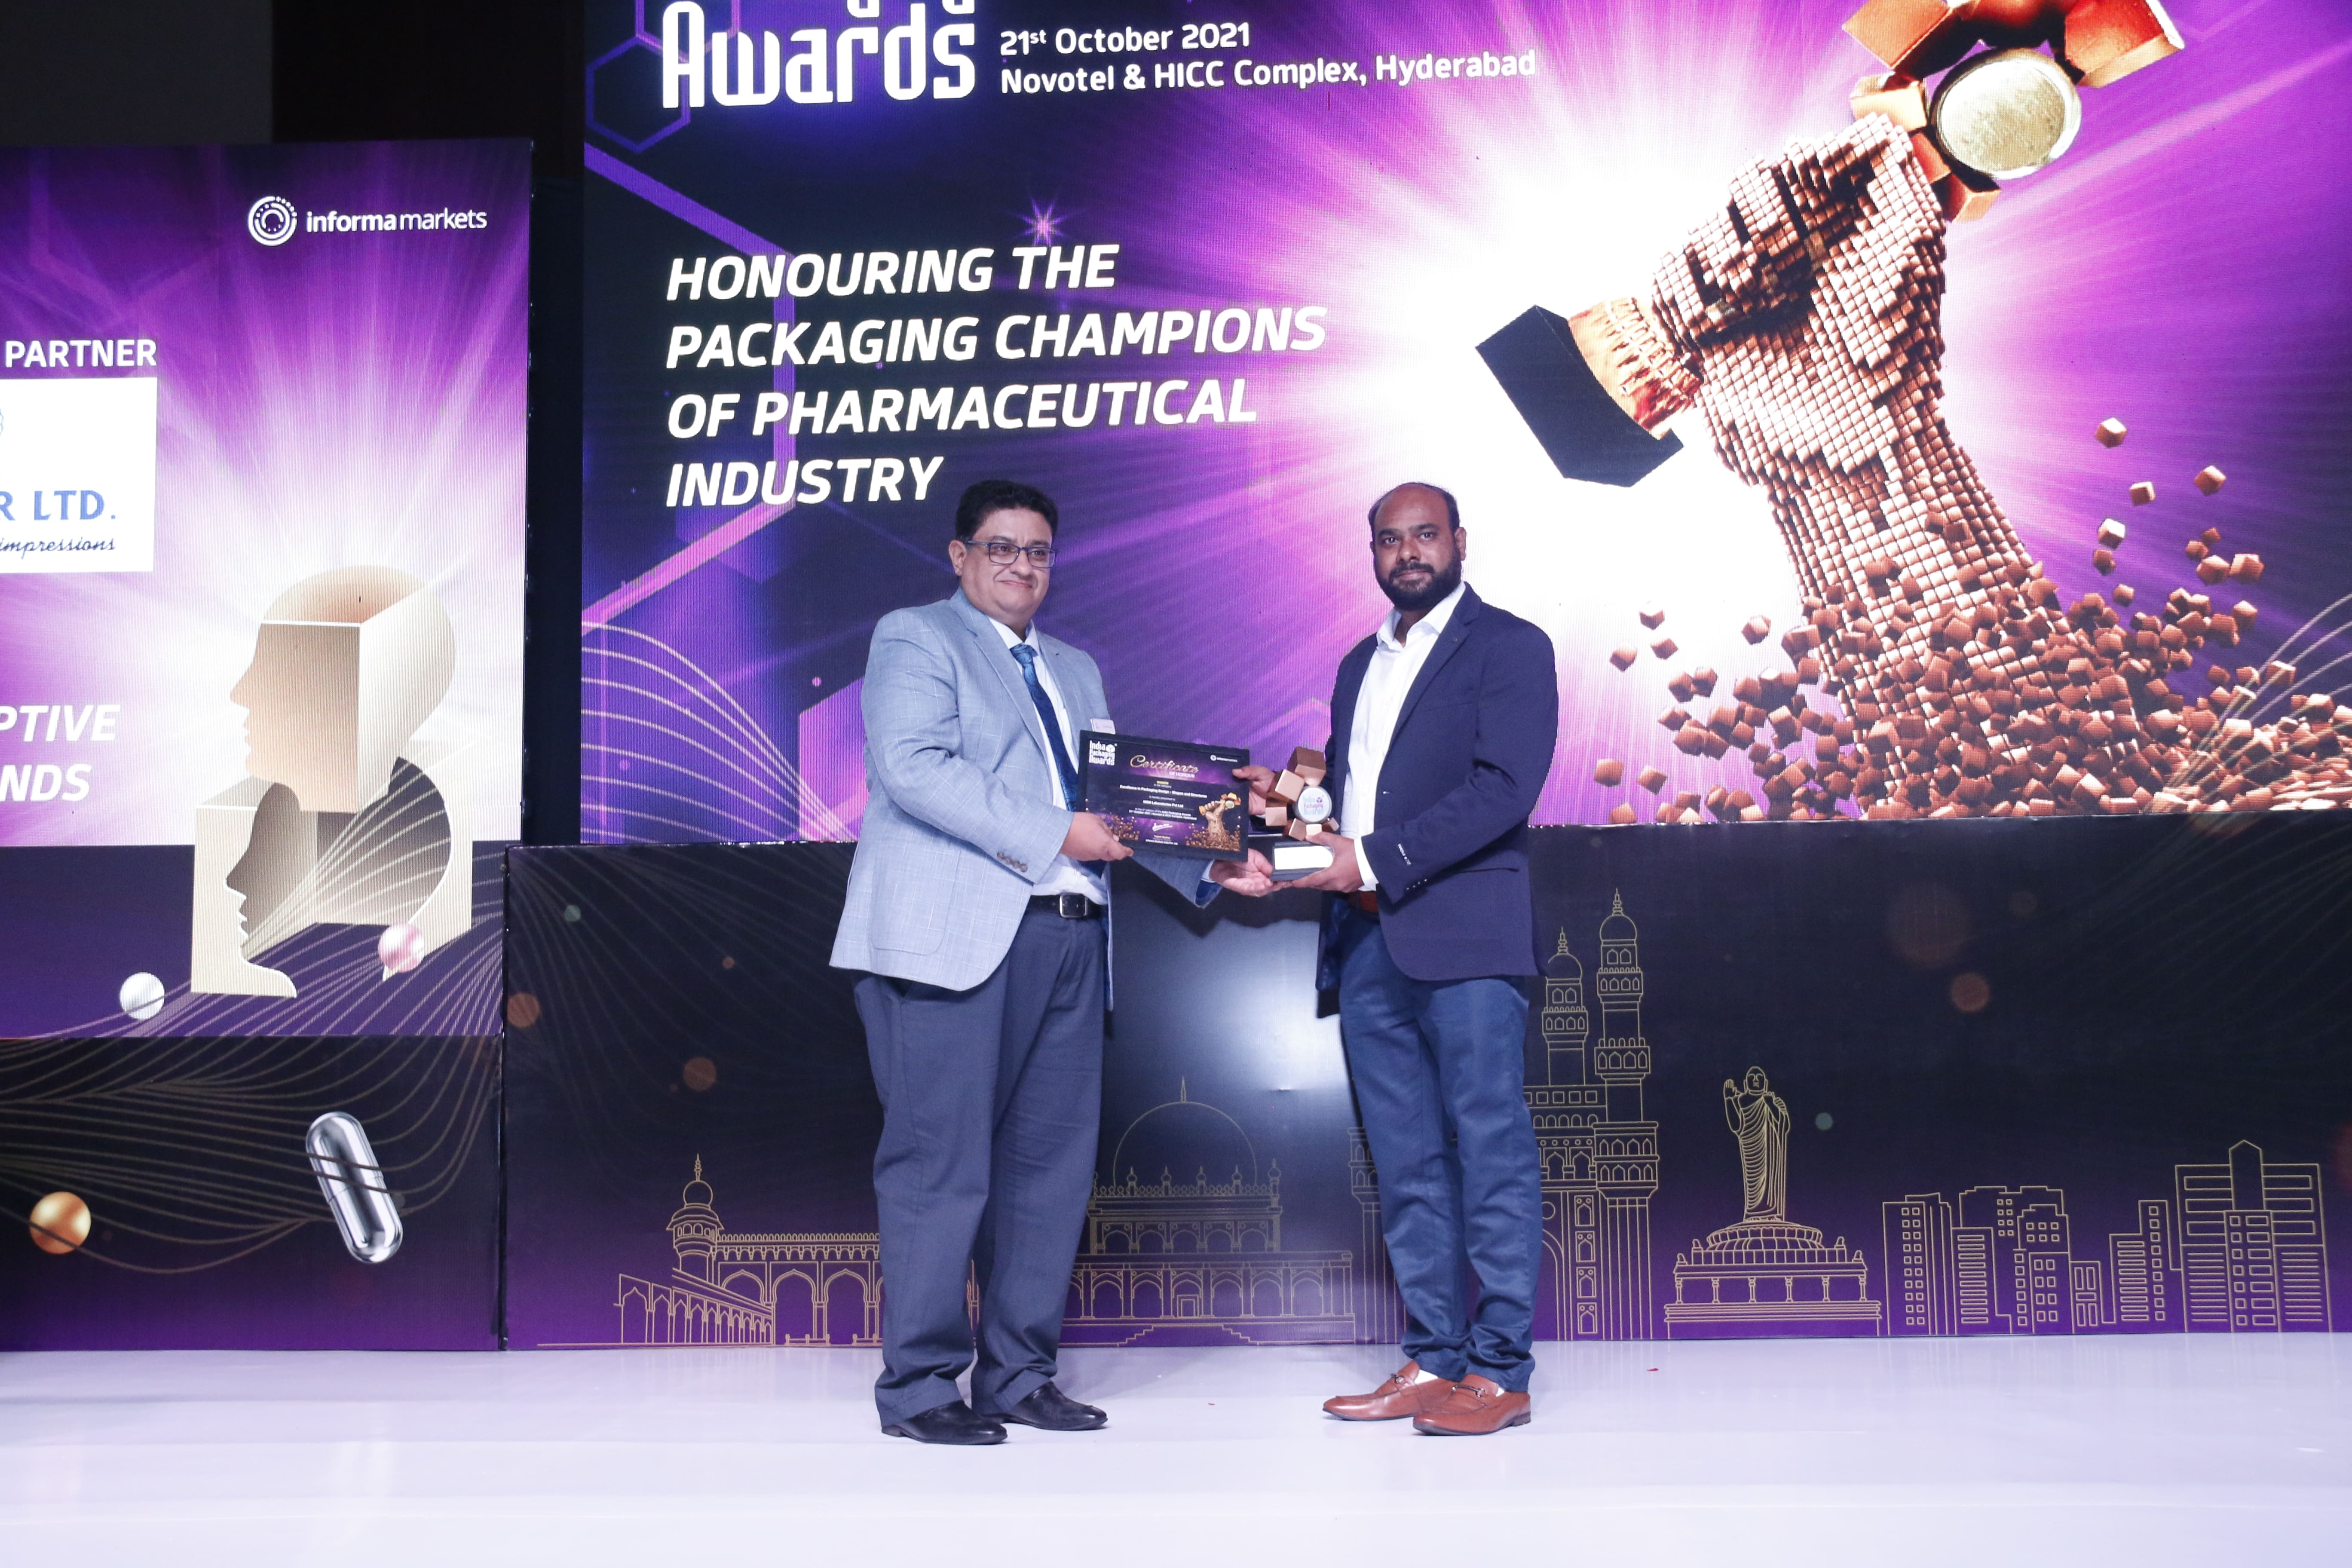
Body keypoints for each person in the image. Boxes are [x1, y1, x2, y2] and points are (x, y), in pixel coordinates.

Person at [831, 478, 1272, 1446]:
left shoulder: (1075, 668)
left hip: (1073, 936)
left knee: (1048, 1176)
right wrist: (1058, 831)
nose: (1020, 566)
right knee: (940, 1169)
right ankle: (920, 1390)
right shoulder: (916, 638)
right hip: (953, 942)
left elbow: (1119, 808)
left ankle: (1019, 1376)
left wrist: (1210, 858)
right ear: (961, 556)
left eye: (1037, 551)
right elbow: (913, 767)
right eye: (1001, 547)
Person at [1229, 481, 1557, 1436]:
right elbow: (1348, 803)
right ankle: (1434, 1357)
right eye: (1389, 540)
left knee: (1490, 1149)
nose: (1408, 553)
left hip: (1466, 937)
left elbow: (1505, 789)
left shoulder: (1511, 646)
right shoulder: (1357, 664)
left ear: (1460, 540)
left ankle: (1500, 1371)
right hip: (1367, 939)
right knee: (1406, 1160)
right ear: (1371, 552)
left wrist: (1368, 858)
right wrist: (1282, 810)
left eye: (1425, 535)